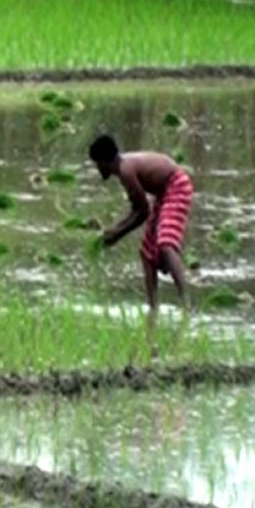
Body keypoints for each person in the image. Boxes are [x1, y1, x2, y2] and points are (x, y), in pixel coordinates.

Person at [89, 134, 194, 353]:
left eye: (97, 164)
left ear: (105, 161)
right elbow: (138, 210)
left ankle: (186, 303)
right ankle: (153, 307)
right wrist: (117, 230)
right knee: (147, 252)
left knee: (165, 243)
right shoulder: (124, 168)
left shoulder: (126, 171)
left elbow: (142, 213)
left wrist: (117, 234)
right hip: (163, 192)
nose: (97, 169)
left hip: (176, 186)